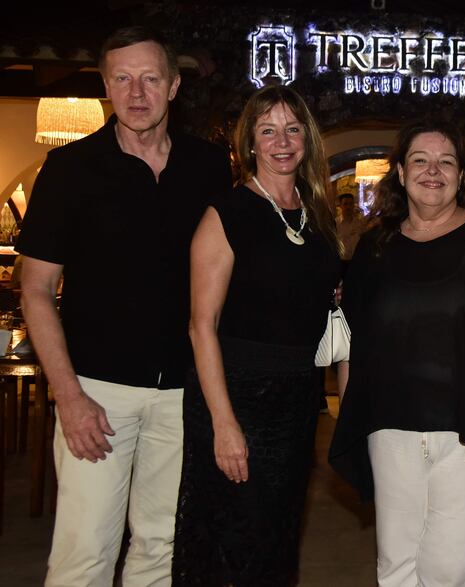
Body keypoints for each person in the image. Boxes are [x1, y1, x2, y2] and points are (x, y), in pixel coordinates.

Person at [16, 25, 232, 586]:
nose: (137, 93)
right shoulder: (69, 170)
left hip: (183, 391)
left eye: (150, 78)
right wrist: (68, 397)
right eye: (123, 79)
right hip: (96, 392)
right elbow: (35, 290)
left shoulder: (210, 166)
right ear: (106, 87)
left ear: (174, 85)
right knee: (85, 551)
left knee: (163, 546)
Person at [328, 118, 465, 586]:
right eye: (420, 160)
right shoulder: (374, 247)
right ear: (401, 173)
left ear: (462, 174)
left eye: (446, 161)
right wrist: (350, 413)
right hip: (388, 427)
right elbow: (353, 338)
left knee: (451, 568)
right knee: (396, 565)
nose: (433, 170)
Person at [171, 84, 340, 585]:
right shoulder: (225, 214)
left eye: (292, 129)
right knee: (231, 539)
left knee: (277, 535)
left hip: (297, 400)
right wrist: (223, 424)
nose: (281, 141)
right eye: (267, 131)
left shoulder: (317, 215)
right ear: (250, 143)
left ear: (307, 139)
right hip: (237, 396)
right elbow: (201, 326)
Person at [336, 191, 367, 271]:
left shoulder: (360, 223)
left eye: (351, 204)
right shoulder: (335, 224)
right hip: (340, 262)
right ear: (340, 205)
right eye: (345, 204)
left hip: (356, 262)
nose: (348, 207)